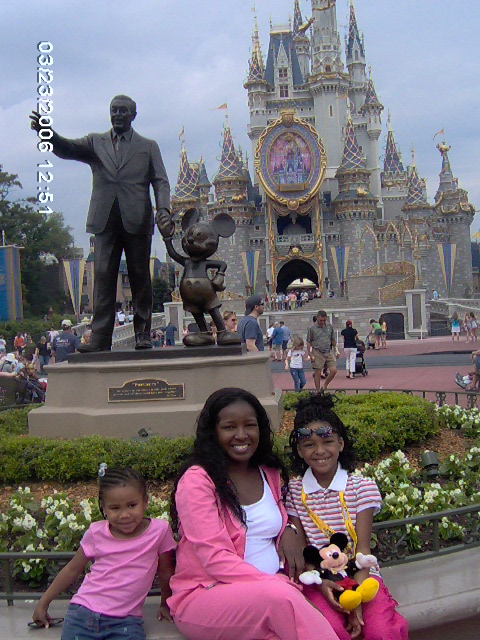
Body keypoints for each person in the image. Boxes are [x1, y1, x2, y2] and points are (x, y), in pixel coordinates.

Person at [168, 388, 339, 640]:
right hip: (207, 595)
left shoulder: (267, 472)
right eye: (229, 427)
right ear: (213, 432)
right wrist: (275, 584)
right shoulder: (198, 482)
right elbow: (214, 557)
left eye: (250, 425)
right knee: (282, 601)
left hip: (269, 598)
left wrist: (289, 530)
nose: (241, 435)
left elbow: (278, 520)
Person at [30, 95, 171, 352]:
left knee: (141, 277)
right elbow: (67, 148)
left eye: (123, 111)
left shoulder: (148, 146)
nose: (118, 114)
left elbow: (160, 181)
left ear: (133, 115)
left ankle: (142, 335)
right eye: (114, 110)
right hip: (105, 219)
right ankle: (100, 339)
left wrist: (163, 208)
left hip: (137, 218)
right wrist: (48, 134)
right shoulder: (96, 141)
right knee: (103, 277)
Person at [286, 394, 409, 640]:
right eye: (309, 445)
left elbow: (362, 551)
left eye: (328, 441)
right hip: (317, 580)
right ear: (299, 451)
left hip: (361, 576)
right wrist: (323, 584)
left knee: (380, 631)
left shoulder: (361, 487)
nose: (320, 451)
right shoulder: (293, 491)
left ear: (341, 444)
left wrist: (357, 600)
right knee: (328, 631)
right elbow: (302, 552)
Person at [32, 467, 176, 637]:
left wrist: (165, 604)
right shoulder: (96, 532)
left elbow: (165, 571)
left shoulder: (159, 531)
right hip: (83, 613)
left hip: (126, 621)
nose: (124, 515)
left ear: (145, 502)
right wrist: (43, 603)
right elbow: (72, 569)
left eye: (132, 505)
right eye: (115, 508)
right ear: (104, 508)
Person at [306, 311, 339, 392]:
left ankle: (325, 385)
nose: (323, 322)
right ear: (317, 318)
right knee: (318, 372)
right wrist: (310, 354)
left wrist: (336, 349)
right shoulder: (312, 328)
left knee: (333, 370)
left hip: (328, 351)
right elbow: (308, 341)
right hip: (317, 351)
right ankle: (318, 390)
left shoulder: (329, 326)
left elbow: (332, 339)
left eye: (324, 320)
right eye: (321, 320)